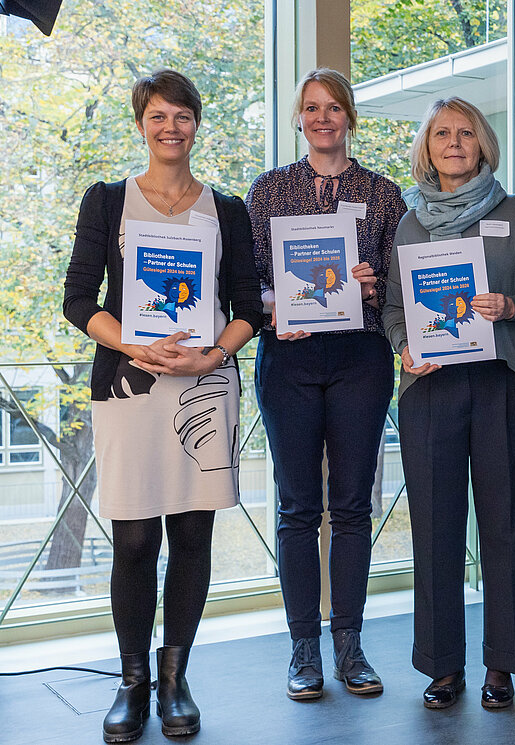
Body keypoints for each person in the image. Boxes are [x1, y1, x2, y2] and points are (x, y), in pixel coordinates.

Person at [62, 69, 265, 742]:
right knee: (134, 539)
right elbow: (77, 299)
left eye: (182, 115)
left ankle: (174, 678)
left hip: (205, 387)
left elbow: (249, 306)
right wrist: (131, 344)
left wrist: (213, 355)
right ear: (140, 124)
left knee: (192, 536)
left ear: (196, 124)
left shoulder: (227, 210)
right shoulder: (107, 201)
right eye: (158, 115)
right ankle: (132, 682)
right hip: (131, 389)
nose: (170, 127)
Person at [246, 67, 404, 701]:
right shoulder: (268, 190)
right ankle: (303, 649)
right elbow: (248, 283)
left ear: (349, 117)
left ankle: (350, 644)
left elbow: (403, 288)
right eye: (311, 108)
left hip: (360, 357)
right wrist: (272, 306)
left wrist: (372, 285)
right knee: (296, 507)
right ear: (298, 119)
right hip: (289, 358)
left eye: (333, 107)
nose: (322, 118)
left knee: (353, 507)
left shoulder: (383, 193)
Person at [383, 97, 515, 710]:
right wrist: (404, 346)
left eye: (466, 133)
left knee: (507, 526)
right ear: (427, 147)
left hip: (503, 381)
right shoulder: (409, 222)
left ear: (483, 145)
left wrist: (511, 305)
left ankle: (503, 663)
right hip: (431, 388)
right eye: (442, 134)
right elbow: (393, 308)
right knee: (435, 530)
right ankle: (442, 664)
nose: (454, 143)